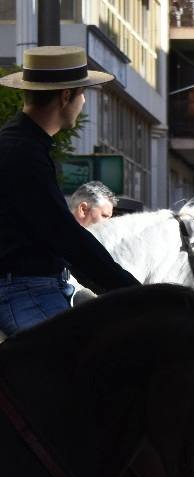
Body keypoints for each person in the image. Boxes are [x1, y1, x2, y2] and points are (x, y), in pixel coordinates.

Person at [0, 46, 139, 334]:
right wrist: (134, 293)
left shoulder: (22, 145)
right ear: (66, 96)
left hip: (30, 288)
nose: (84, 101)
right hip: (24, 291)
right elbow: (64, 236)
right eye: (82, 92)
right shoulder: (24, 153)